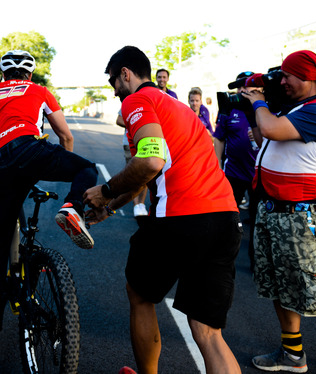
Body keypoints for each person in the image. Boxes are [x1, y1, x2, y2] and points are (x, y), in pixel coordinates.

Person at [84, 46, 242, 374]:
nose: (114, 92)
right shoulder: (179, 107)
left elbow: (150, 161)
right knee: (209, 333)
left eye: (114, 81)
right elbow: (152, 173)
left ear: (125, 73)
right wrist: (111, 207)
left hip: (181, 217)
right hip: (225, 218)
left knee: (140, 295)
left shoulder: (138, 100)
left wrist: (104, 190)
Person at [0, 50, 98, 336]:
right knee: (86, 169)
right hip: (31, 153)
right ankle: (71, 209)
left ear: (2, 74)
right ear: (29, 74)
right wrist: (59, 166)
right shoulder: (38, 91)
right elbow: (66, 136)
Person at [241, 50, 316, 372]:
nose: (282, 81)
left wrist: (258, 101)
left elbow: (271, 130)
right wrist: (256, 110)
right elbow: (266, 139)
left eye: (288, 75)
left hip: (303, 215)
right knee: (279, 285)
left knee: (311, 286)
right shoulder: (294, 109)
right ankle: (293, 355)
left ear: (309, 76)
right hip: (273, 209)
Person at [213, 70, 260, 269]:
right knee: (228, 217)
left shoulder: (265, 108)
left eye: (246, 85)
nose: (242, 90)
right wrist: (215, 168)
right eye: (240, 86)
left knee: (258, 220)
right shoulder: (229, 107)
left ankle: (256, 261)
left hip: (260, 175)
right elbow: (219, 138)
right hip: (233, 173)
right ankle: (222, 257)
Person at [116, 110, 148, 217]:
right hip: (129, 143)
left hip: (145, 142)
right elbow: (119, 120)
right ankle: (136, 204)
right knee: (133, 175)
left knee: (146, 174)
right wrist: (136, 123)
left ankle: (141, 204)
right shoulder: (128, 101)